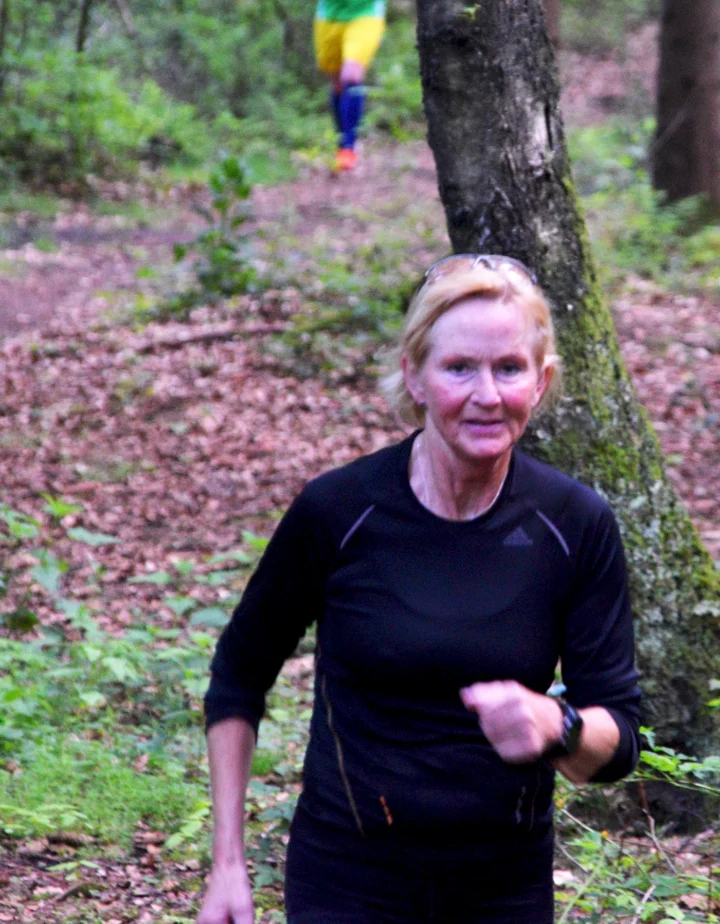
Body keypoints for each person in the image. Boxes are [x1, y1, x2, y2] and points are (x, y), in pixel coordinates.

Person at [197, 253, 641, 924]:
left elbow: (619, 739)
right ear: (415, 376)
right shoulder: (338, 511)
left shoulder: (574, 524)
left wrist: (560, 724)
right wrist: (228, 864)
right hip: (347, 880)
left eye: (509, 368)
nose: (487, 395)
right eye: (459, 368)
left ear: (541, 381)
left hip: (504, 888)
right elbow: (239, 674)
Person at [295, 0, 406, 173]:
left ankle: (349, 147)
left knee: (352, 76)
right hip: (330, 14)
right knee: (336, 81)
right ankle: (341, 139)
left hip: (367, 12)